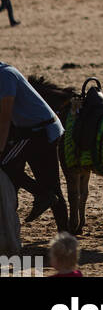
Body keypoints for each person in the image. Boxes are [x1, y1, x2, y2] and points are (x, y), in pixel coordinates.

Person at [0, 62, 65, 222]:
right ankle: (65, 235)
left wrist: (0, 150)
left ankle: (42, 195)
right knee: (52, 185)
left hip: (40, 131)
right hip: (38, 129)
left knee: (4, 164)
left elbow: (5, 117)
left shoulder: (5, 75)